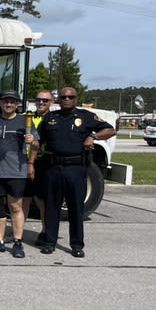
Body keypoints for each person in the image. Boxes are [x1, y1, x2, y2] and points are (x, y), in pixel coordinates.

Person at [36, 87, 115, 257]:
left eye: (70, 97)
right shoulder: (50, 118)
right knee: (52, 207)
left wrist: (93, 136)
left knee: (76, 209)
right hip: (53, 168)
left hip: (76, 168)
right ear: (59, 100)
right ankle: (49, 242)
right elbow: (38, 140)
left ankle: (77, 245)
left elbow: (110, 130)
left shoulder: (86, 117)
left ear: (75, 99)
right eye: (63, 96)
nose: (66, 99)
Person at [0, 90, 36, 258]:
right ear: (1, 103)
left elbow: (36, 146)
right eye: (6, 101)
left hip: (17, 172)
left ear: (17, 104)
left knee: (15, 207)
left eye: (12, 101)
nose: (9, 104)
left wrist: (32, 141)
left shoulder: (25, 122)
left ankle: (18, 242)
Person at [23, 90, 54, 245]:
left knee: (43, 200)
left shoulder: (55, 119)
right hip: (26, 161)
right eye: (38, 100)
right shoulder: (27, 117)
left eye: (45, 100)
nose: (41, 102)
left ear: (52, 102)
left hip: (45, 163)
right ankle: (18, 233)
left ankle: (45, 231)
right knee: (24, 198)